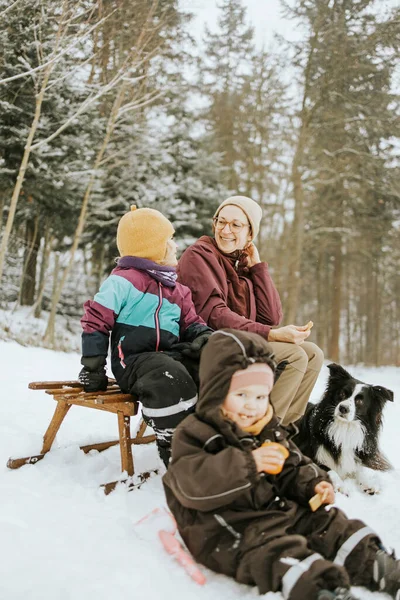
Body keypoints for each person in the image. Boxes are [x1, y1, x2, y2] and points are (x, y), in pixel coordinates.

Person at [163, 329, 400, 600]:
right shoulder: (195, 434)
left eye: (261, 397)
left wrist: (313, 484)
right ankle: (322, 589)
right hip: (226, 526)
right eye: (242, 395)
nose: (252, 406)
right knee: (275, 550)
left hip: (273, 509)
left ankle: (375, 563)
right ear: (217, 391)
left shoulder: (266, 427)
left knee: (325, 521)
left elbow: (292, 464)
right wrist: (249, 464)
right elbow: (193, 484)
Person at [79, 205, 213, 467]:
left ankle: (209, 437)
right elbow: (95, 321)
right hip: (134, 362)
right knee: (167, 373)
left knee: (206, 366)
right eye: (168, 240)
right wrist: (93, 368)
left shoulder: (178, 290)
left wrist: (205, 337)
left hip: (170, 358)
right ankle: (172, 440)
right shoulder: (123, 282)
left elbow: (192, 322)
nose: (175, 246)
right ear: (152, 247)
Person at [177, 195, 324, 426]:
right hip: (206, 345)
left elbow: (271, 316)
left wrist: (258, 268)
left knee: (314, 353)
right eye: (221, 221)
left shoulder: (240, 263)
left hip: (238, 342)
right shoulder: (199, 256)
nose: (226, 230)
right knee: (294, 356)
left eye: (236, 225)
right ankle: (260, 430)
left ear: (250, 234)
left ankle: (284, 429)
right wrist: (272, 335)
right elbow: (214, 315)